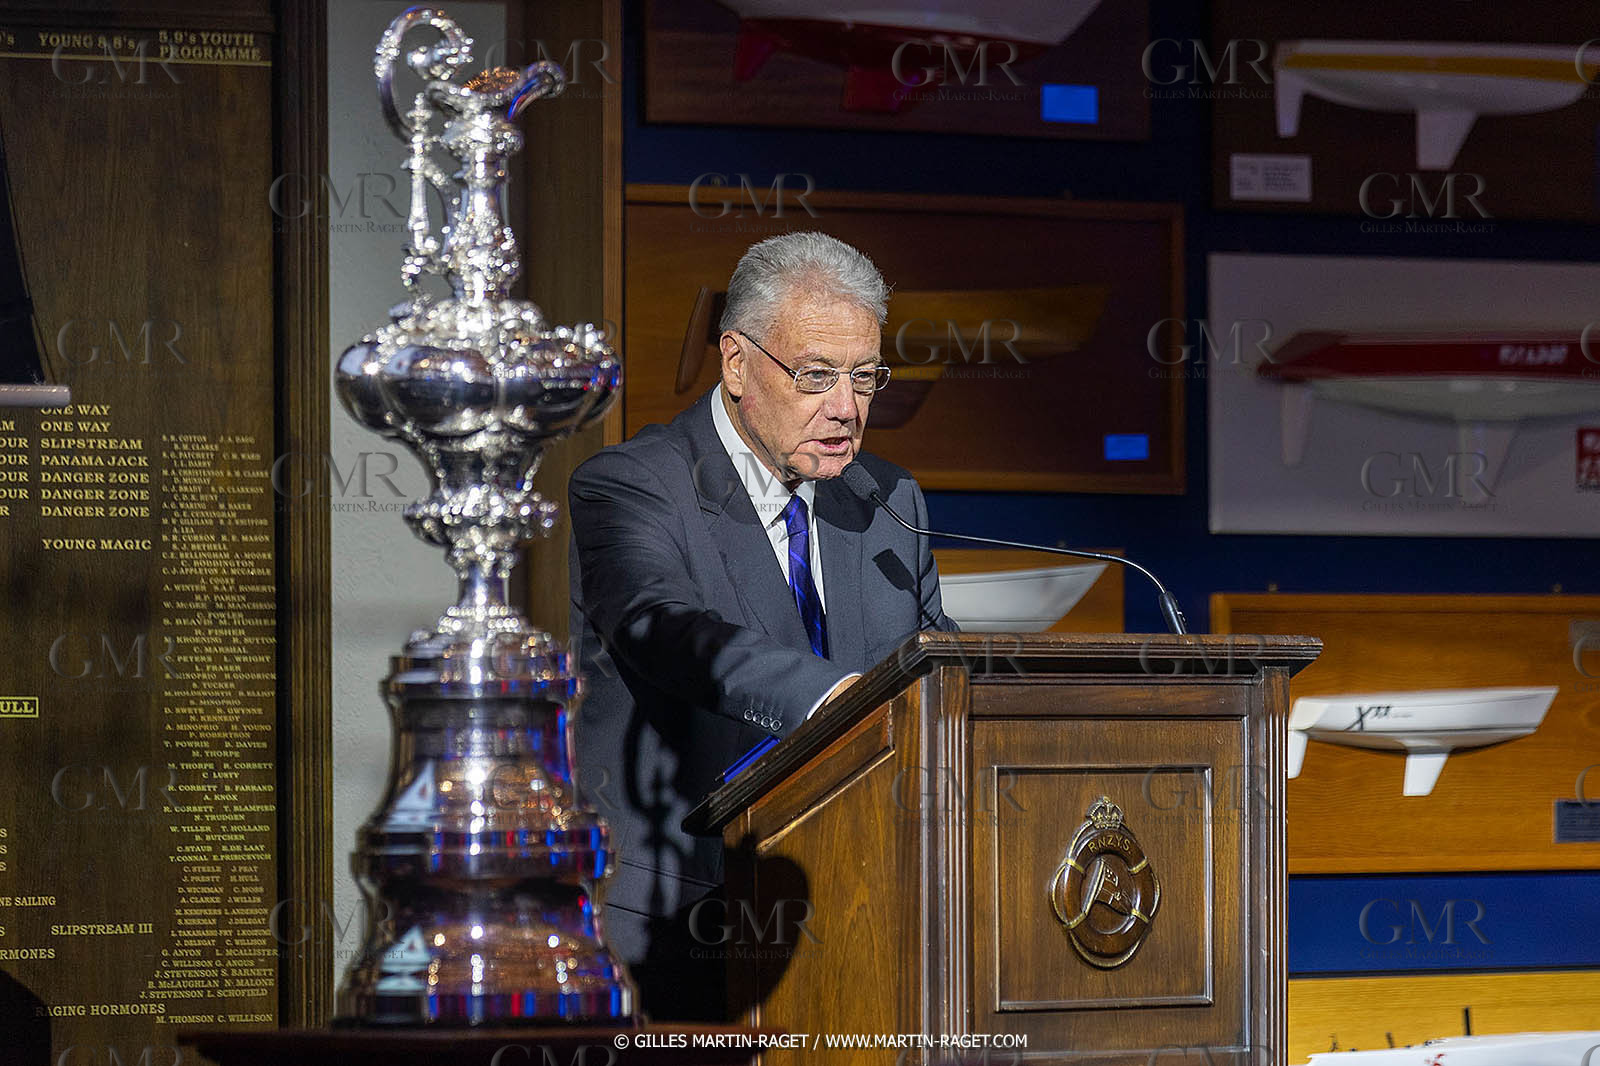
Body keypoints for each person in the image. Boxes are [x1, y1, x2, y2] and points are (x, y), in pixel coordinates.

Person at [568, 231, 957, 1019]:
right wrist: (838, 697)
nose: (845, 408)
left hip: (863, 918)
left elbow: (934, 675)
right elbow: (663, 629)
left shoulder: (888, 502)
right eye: (815, 375)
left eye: (864, 377)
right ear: (737, 362)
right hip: (683, 924)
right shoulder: (633, 486)